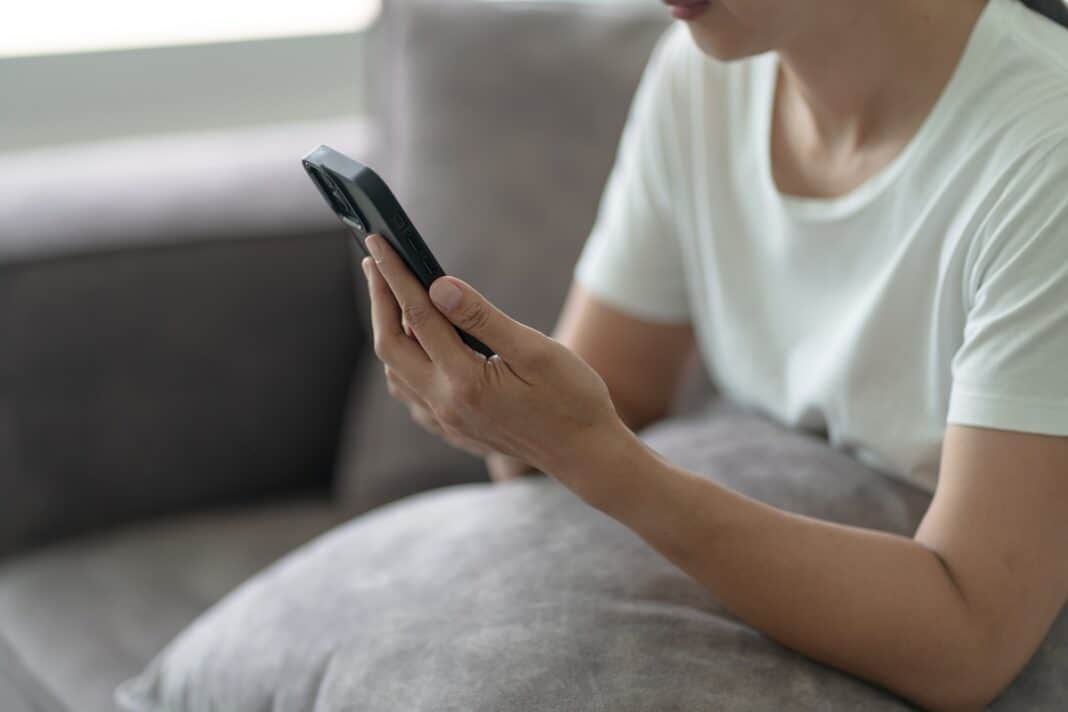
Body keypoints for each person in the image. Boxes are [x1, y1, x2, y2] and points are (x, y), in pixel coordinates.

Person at [359, 0, 1068, 708]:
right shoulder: (701, 79)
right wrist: (499, 416)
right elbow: (609, 400)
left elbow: (969, 643)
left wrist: (593, 458)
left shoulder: (1046, 151)